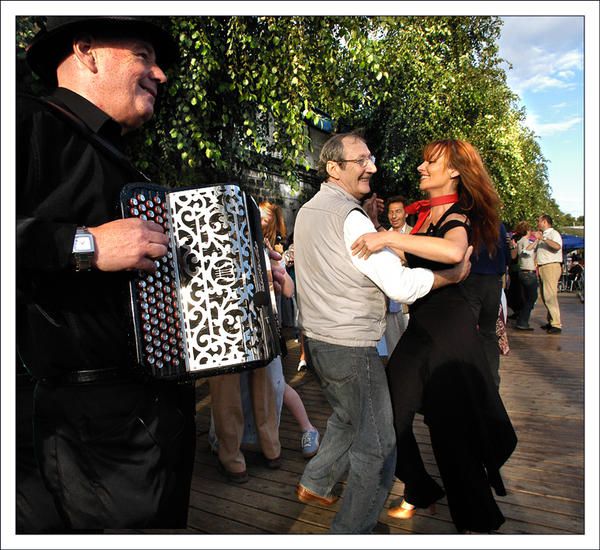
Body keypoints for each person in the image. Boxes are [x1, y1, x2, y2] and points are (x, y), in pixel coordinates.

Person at [17, 17, 197, 530]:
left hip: (152, 417)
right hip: (88, 430)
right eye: (144, 54)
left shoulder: (120, 160)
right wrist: (87, 245)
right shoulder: (25, 121)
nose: (159, 74)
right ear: (87, 51)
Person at [293, 131, 473, 534]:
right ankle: (353, 530)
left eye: (371, 158)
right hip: (351, 346)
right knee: (378, 447)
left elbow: (335, 266)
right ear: (334, 168)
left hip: (319, 341)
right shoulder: (350, 217)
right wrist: (450, 276)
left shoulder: (308, 211)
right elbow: (402, 287)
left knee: (346, 415)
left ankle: (316, 482)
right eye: (362, 161)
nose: (372, 166)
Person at [352, 139, 517, 533]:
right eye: (423, 161)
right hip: (422, 328)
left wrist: (389, 238)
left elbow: (454, 252)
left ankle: (475, 520)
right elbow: (404, 264)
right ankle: (420, 486)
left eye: (431, 163)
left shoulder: (459, 214)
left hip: (450, 334)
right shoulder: (424, 216)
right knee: (389, 414)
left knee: (450, 432)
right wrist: (376, 229)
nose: (422, 168)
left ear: (455, 172)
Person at [259, 202, 320, 459]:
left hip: (267, 328)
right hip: (241, 330)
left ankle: (308, 428)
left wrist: (278, 275)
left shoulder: (271, 250)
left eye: (265, 216)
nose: (260, 220)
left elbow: (288, 290)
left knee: (276, 384)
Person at [459, 221, 510, 388]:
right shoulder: (498, 225)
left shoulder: (467, 223)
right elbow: (507, 255)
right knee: (488, 333)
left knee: (467, 331)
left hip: (471, 279)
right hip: (493, 281)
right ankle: (492, 380)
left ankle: (467, 378)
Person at [377, 196, 412, 357]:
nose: (394, 216)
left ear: (405, 213)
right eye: (391, 212)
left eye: (398, 211)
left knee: (411, 343)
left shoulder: (414, 235)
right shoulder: (381, 238)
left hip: (409, 301)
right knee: (393, 347)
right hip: (389, 301)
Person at [534, 214, 563, 333]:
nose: (537, 223)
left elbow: (557, 246)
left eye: (539, 221)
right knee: (545, 295)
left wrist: (543, 239)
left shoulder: (553, 234)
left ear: (545, 222)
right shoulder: (544, 235)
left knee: (550, 295)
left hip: (551, 266)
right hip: (543, 267)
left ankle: (556, 324)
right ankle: (551, 321)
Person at [510, 221, 539, 331]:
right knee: (532, 298)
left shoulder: (520, 240)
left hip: (522, 272)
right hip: (528, 273)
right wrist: (536, 240)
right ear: (527, 231)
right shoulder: (525, 240)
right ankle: (522, 321)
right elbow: (526, 251)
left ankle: (521, 319)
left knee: (527, 297)